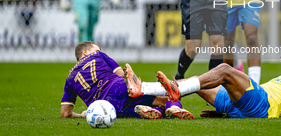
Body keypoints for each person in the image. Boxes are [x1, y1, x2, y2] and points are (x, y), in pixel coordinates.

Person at [130, 40, 281, 119]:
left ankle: (171, 91)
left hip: (262, 105)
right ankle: (144, 92)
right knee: (194, 82)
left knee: (225, 70)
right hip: (239, 107)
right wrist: (228, 113)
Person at [60, 41, 194, 120]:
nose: (99, 50)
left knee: (130, 112)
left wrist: (83, 115)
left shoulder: (69, 79)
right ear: (85, 52)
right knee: (164, 99)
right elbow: (121, 74)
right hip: (117, 87)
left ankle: (147, 110)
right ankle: (174, 107)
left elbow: (65, 114)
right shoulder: (98, 55)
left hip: (105, 108)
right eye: (97, 48)